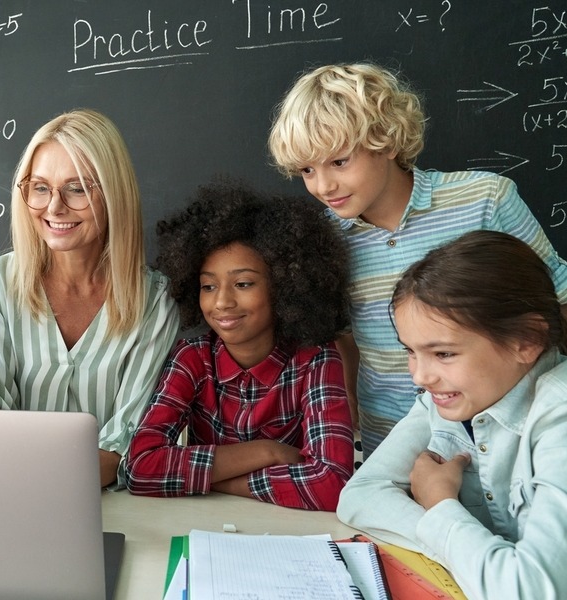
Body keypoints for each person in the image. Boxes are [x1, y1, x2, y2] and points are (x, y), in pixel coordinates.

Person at [267, 62, 567, 458]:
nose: (323, 186)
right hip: (393, 442)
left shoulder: (485, 200)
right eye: (306, 170)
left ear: (386, 141)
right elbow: (343, 335)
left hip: (509, 437)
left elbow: (558, 301)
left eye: (339, 162)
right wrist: (349, 410)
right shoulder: (323, 240)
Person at [338, 230, 567, 597]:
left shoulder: (560, 414)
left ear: (527, 340)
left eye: (443, 353)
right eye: (411, 351)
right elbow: (359, 496)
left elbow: (528, 590)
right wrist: (467, 553)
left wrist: (441, 505)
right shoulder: (445, 398)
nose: (420, 376)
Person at [0, 108, 180, 488]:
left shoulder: (155, 300)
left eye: (76, 188)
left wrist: (13, 453)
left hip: (115, 509)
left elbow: (125, 451)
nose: (54, 207)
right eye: (40, 187)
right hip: (14, 498)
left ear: (114, 194)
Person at [125, 181, 353, 510]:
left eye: (243, 283)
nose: (222, 302)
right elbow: (140, 469)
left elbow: (333, 483)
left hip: (290, 530)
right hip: (204, 525)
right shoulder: (192, 359)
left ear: (284, 285)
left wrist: (217, 480)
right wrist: (267, 452)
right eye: (208, 286)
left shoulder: (314, 357)